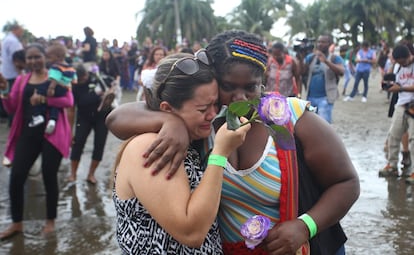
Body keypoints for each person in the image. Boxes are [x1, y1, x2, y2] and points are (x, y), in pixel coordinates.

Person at [106, 30, 360, 255]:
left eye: (250, 87)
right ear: (213, 80)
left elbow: (346, 182)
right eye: (228, 87)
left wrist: (306, 225)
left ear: (263, 81)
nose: (240, 98)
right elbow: (117, 117)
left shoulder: (290, 119)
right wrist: (168, 123)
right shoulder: (205, 120)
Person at [113, 52, 250, 254]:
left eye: (215, 104)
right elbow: (191, 233)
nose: (213, 115)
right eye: (203, 109)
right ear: (167, 108)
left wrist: (171, 121)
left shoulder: (187, 137)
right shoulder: (150, 146)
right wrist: (221, 152)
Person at [0, 43, 73, 239]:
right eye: (29, 58)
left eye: (37, 57)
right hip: (28, 134)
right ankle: (17, 223)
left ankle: (50, 221)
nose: (33, 61)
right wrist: (5, 91)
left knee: (49, 176)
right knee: (16, 176)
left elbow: (68, 101)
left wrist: (43, 100)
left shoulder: (56, 76)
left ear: (44, 57)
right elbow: (11, 108)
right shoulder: (22, 80)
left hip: (52, 134)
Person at [67, 64, 114, 184]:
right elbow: (71, 109)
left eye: (84, 78)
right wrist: (70, 131)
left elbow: (111, 88)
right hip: (83, 117)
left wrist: (109, 93)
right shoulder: (73, 86)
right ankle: (73, 174)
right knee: (77, 144)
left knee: (99, 145)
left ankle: (91, 174)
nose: (83, 81)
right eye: (80, 79)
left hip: (101, 117)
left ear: (87, 74)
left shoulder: (96, 78)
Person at [378, 44, 414, 184]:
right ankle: (392, 166)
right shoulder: (398, 66)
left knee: (413, 140)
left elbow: (403, 86)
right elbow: (398, 81)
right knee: (393, 135)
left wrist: (401, 88)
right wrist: (390, 84)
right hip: (401, 104)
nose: (402, 64)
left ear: (409, 56)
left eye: (403, 61)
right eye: (398, 62)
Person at [29, 41, 77, 134]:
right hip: (64, 88)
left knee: (39, 91)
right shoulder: (71, 67)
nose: (48, 59)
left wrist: (51, 88)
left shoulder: (55, 67)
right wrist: (67, 83)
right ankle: (53, 120)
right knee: (54, 104)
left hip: (54, 87)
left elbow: (54, 79)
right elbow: (74, 80)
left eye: (49, 57)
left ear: (58, 57)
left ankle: (37, 115)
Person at [304, 34, 345, 123]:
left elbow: (342, 72)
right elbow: (302, 72)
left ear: (329, 44)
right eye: (318, 42)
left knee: (323, 124)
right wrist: (300, 57)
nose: (320, 44)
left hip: (325, 98)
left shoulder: (335, 58)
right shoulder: (311, 57)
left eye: (323, 42)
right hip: (310, 97)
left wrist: (326, 61)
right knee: (311, 125)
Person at [0, 23, 24, 124]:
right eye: (21, 30)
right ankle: (13, 120)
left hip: (5, 72)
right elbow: (17, 59)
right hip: (13, 74)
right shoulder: (14, 41)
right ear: (16, 29)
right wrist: (20, 73)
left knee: (5, 95)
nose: (22, 33)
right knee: (14, 98)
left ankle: (5, 117)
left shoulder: (6, 39)